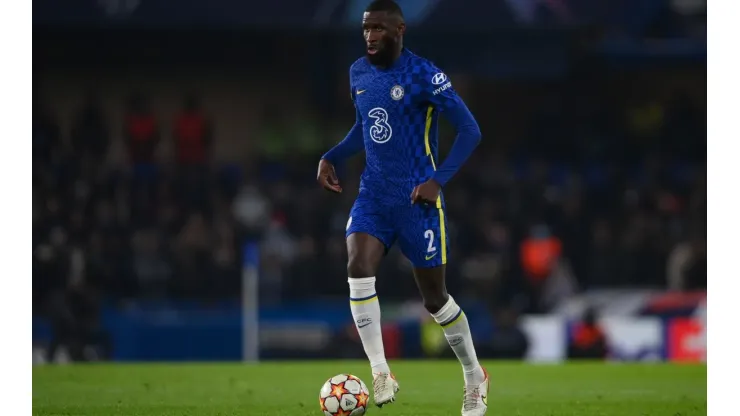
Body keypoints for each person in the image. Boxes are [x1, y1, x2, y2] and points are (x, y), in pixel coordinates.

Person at [316, 1, 486, 414]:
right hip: (374, 196)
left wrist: (436, 181)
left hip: (417, 201)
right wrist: (333, 155)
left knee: (435, 300)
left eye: (378, 27)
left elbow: (470, 130)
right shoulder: (358, 72)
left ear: (400, 29)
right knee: (357, 266)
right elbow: (367, 126)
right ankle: (380, 370)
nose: (370, 35)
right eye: (365, 28)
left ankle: (474, 376)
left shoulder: (424, 74)